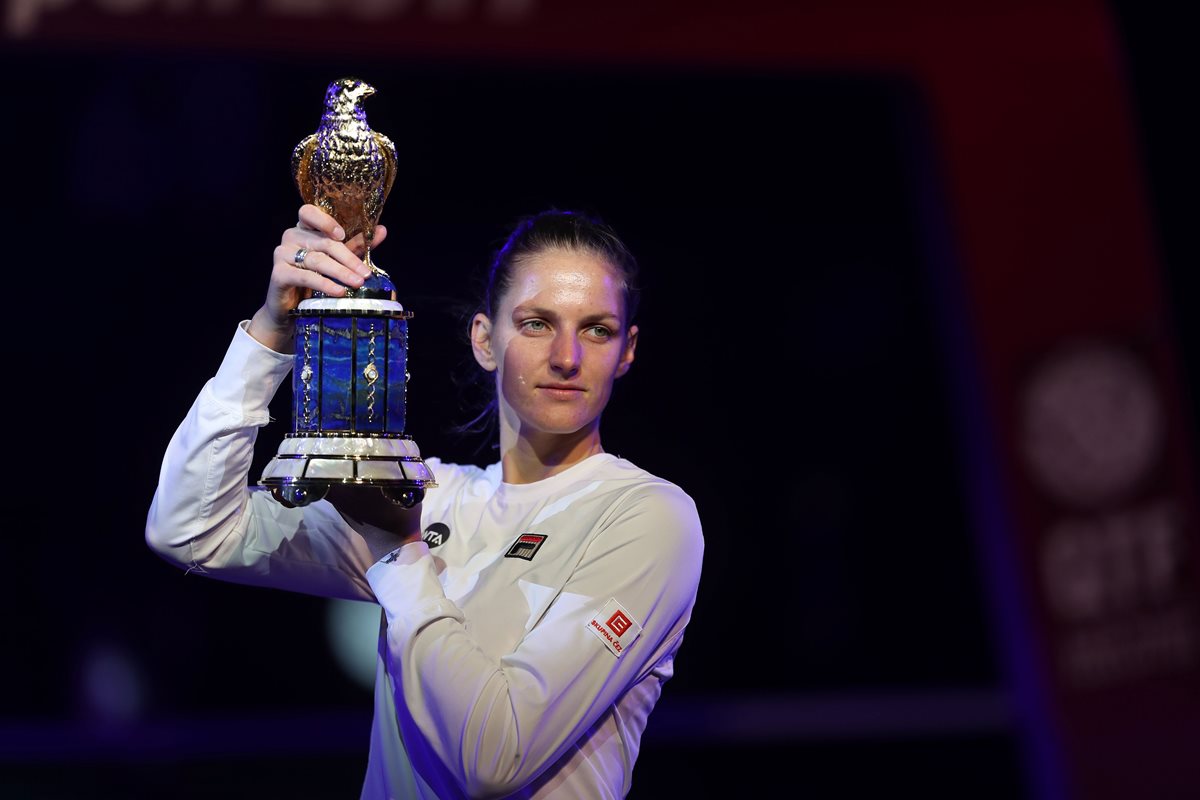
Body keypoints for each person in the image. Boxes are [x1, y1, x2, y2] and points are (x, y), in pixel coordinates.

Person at [145, 204, 705, 799]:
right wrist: (270, 333)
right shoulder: (427, 495)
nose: (568, 356)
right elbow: (192, 529)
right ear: (485, 340)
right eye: (537, 323)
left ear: (627, 350)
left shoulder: (647, 516)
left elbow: (497, 757)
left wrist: (398, 550)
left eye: (597, 330)